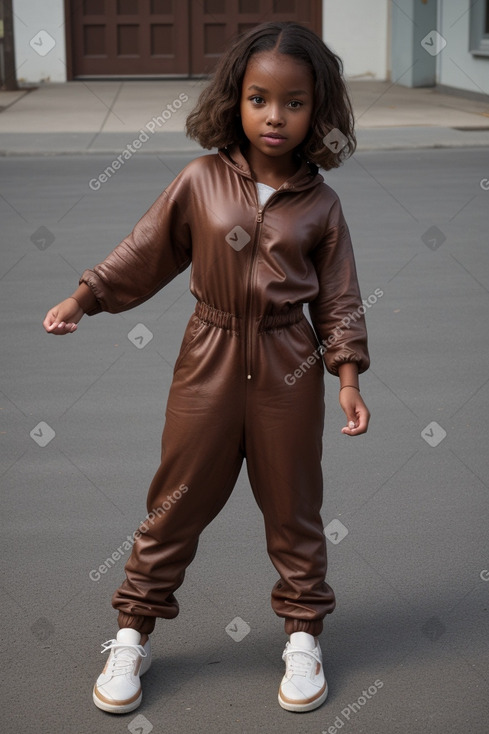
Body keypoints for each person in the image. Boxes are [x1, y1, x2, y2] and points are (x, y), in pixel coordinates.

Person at [43, 21, 370, 715]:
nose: (273, 116)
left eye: (293, 102)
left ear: (318, 111)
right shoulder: (199, 181)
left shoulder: (320, 204)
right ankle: (132, 631)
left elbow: (339, 298)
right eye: (258, 98)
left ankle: (303, 636)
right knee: (174, 503)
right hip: (207, 359)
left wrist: (346, 377)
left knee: (294, 510)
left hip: (290, 364)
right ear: (235, 100)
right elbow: (143, 252)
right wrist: (85, 296)